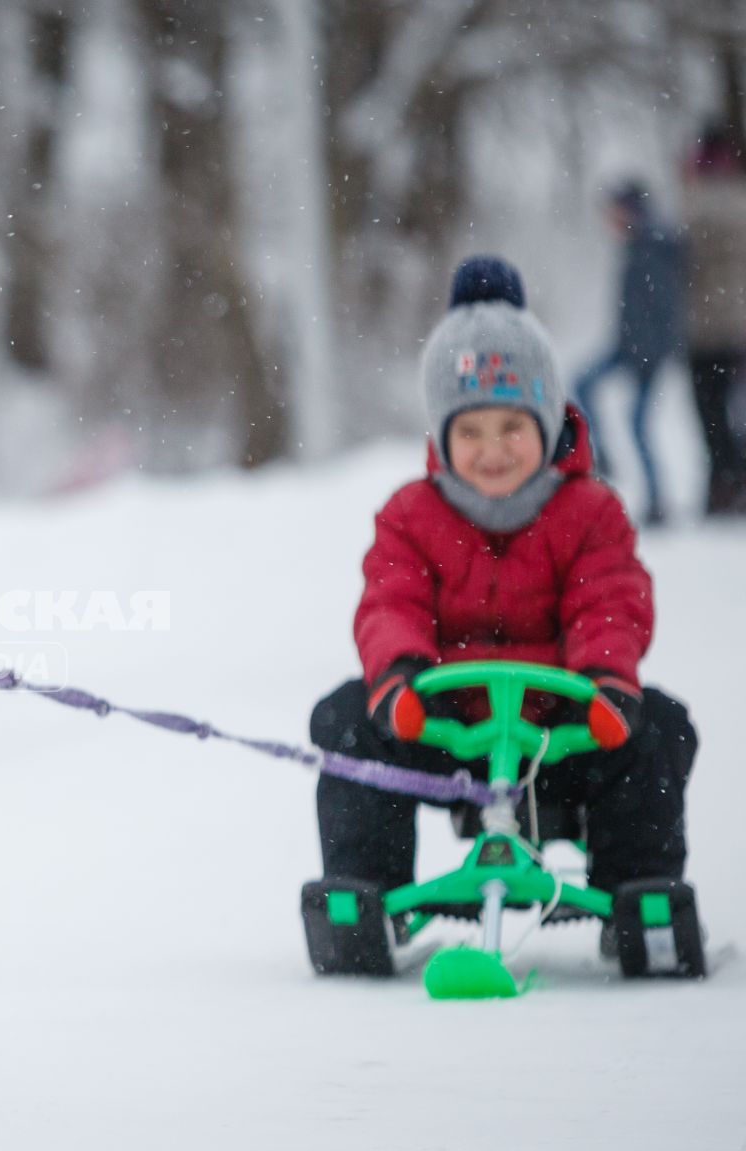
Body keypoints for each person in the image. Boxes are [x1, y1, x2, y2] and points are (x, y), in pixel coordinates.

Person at [311, 257, 697, 929]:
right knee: (345, 719)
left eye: (511, 428)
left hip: (559, 734)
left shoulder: (590, 512)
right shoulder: (410, 515)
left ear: (547, 423)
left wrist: (606, 684)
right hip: (449, 731)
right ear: (442, 436)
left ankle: (639, 897)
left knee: (659, 728)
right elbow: (390, 603)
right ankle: (367, 897)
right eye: (470, 431)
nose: (493, 450)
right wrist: (400, 681)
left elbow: (608, 602)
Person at [574, 182, 686, 526]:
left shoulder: (651, 246)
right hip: (628, 347)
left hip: (643, 352)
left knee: (636, 424)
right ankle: (601, 455)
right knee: (583, 386)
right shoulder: (640, 243)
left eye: (613, 209)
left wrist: (647, 355)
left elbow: (663, 309)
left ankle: (656, 499)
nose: (609, 219)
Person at [683, 124, 746, 516]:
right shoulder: (741, 202)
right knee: (732, 411)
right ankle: (734, 480)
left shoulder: (695, 207)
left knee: (709, 414)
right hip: (739, 328)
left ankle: (723, 485)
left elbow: (681, 268)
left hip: (706, 330)